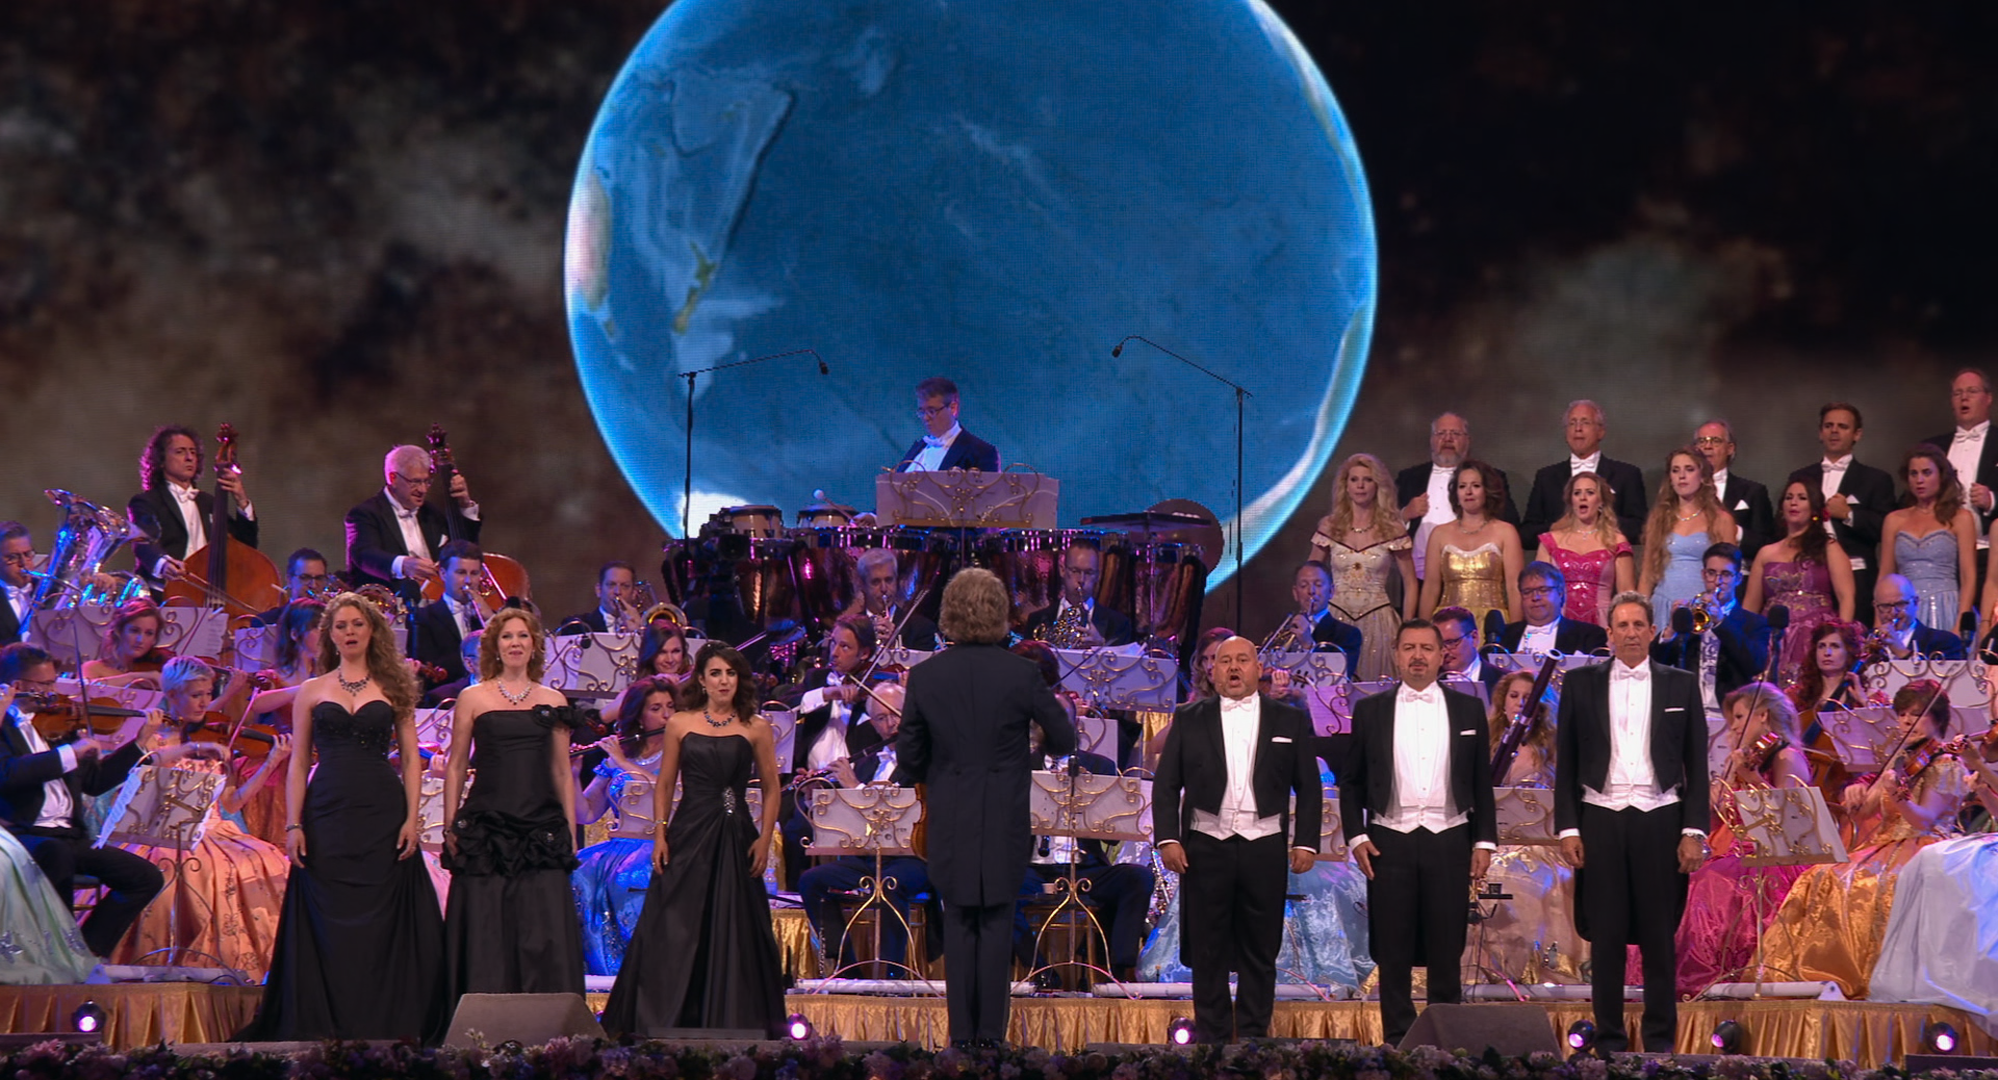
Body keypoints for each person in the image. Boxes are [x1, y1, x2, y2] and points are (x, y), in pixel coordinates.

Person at [237, 593, 446, 1042]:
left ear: (372, 631)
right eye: (341, 626)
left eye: (357, 624)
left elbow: (412, 759)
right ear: (330, 635)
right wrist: (293, 824)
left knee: (383, 916)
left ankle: (384, 1020)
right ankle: (328, 1020)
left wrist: (412, 819)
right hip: (327, 807)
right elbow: (298, 763)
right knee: (329, 910)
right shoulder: (312, 690)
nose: (349, 632)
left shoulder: (393, 686)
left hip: (382, 808)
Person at [900, 568, 1074, 1047]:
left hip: (949, 817)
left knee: (958, 921)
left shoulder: (926, 676)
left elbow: (909, 759)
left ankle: (960, 1041)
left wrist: (943, 765)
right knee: (997, 921)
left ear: (950, 614)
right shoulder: (1022, 673)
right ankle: (991, 1042)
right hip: (1003, 818)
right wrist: (1024, 747)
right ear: (999, 613)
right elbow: (1064, 738)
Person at [1555, 592, 1710, 1055]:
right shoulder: (1579, 683)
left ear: (1651, 631)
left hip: (1660, 817)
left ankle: (1660, 1044)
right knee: (1606, 939)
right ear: (1609, 633)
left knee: (1659, 938)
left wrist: (1693, 830)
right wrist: (1569, 828)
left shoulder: (1681, 684)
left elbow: (1696, 764)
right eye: (1621, 625)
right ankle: (1609, 1043)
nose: (1630, 633)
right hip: (1600, 817)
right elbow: (1567, 762)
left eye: (1638, 624)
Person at [602, 642, 784, 1037]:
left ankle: (734, 1021)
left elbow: (772, 788)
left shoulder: (755, 726)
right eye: (715, 673)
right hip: (688, 831)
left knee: (736, 925)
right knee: (674, 922)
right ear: (701, 679)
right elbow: (666, 783)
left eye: (731, 673)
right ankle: (659, 1019)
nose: (724, 681)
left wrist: (765, 838)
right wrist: (660, 833)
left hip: (736, 833)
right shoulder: (680, 723)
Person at [1757, 681, 1973, 999]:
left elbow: (1924, 820)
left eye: (1917, 715)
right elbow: (1863, 811)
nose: (1907, 722)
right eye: (1902, 714)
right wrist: (1855, 792)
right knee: (1818, 876)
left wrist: (1898, 797)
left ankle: (1859, 977)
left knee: (1864, 885)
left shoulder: (1945, 763)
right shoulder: (1900, 760)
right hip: (1884, 845)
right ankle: (1801, 976)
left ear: (1937, 719)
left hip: (1926, 847)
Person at [1153, 635, 1320, 1044]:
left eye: (1243, 660)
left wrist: (1305, 842)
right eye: (1225, 660)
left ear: (1258, 668)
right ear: (1212, 671)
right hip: (1205, 845)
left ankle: (1252, 1038)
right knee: (1207, 948)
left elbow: (1309, 787)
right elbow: (1166, 783)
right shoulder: (1190, 717)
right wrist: (1168, 839)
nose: (1233, 667)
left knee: (1260, 949)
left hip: (1265, 845)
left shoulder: (1289, 720)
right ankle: (1211, 1040)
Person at [1343, 620, 1497, 1047]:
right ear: (1396, 653)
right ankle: (1398, 1042)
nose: (1417, 656)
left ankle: (1446, 1041)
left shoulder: (1469, 709)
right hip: (1388, 839)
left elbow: (1481, 782)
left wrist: (1484, 841)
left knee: (1446, 948)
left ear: (1440, 654)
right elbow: (1351, 781)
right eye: (1409, 647)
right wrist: (1357, 836)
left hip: (1449, 837)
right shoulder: (1370, 710)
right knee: (1392, 950)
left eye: (1426, 648)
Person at [111, 657, 292, 980]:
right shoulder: (154, 739)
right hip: (163, 832)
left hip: (216, 830)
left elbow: (232, 802)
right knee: (190, 869)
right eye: (196, 695)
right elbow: (133, 796)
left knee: (266, 859)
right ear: (173, 695)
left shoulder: (217, 739)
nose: (205, 703)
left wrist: (271, 763)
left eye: (209, 694)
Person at [437, 607, 584, 1001]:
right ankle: (482, 1016)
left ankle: (546, 1018)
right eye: (507, 636)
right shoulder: (472, 697)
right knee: (486, 924)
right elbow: (456, 765)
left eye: (522, 636)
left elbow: (561, 771)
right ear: (495, 646)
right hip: (486, 825)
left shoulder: (553, 699)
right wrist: (451, 824)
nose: (515, 643)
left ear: (534, 645)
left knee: (542, 925)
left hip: (541, 827)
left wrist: (570, 829)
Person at [0, 642, 166, 957]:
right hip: (23, 834)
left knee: (145, 877)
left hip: (70, 835)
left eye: (53, 683)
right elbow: (8, 774)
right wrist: (68, 754)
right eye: (44, 685)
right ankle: (55, 954)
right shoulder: (3, 726)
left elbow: (94, 783)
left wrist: (139, 742)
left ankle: (85, 952)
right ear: (18, 685)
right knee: (56, 854)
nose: (53, 692)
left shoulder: (57, 725)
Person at [1667, 683, 1811, 997]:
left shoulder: (1787, 756)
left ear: (1763, 716)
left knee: (1711, 884)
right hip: (1734, 850)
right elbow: (1726, 816)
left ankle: (1713, 977)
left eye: (1740, 717)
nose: (1732, 726)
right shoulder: (1746, 758)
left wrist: (1752, 779)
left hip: (1774, 857)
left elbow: (1789, 822)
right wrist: (1721, 788)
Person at [795, 688, 933, 977]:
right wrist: (816, 796)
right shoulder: (870, 761)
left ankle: (892, 975)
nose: (890, 724)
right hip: (870, 858)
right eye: (881, 718)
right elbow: (849, 823)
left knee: (890, 884)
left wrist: (854, 786)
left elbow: (895, 815)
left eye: (896, 715)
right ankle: (846, 969)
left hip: (915, 858)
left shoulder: (925, 760)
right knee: (812, 881)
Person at [1468, 671, 1586, 987]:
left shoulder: (1556, 747)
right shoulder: (1486, 744)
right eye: (1514, 696)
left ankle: (1531, 970)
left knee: (1522, 879)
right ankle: (1481, 970)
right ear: (1502, 702)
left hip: (1540, 844)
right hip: (1492, 840)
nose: (1520, 703)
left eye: (1528, 698)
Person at [779, 614, 893, 888]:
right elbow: (783, 707)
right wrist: (827, 694)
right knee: (787, 824)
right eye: (834, 644)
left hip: (852, 787)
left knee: (804, 827)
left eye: (845, 647)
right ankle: (790, 896)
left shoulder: (877, 687)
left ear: (865, 653)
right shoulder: (817, 678)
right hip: (809, 783)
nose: (835, 653)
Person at [1310, 454, 1415, 680]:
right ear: (1345, 486)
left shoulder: (1392, 529)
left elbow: (1410, 582)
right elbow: (1310, 575)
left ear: (1377, 486)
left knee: (1375, 687)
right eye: (1354, 479)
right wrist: (1310, 616)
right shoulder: (1330, 526)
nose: (1360, 485)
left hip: (1379, 622)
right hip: (1335, 620)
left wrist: (1407, 628)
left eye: (1367, 480)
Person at [1788, 403, 1895, 625]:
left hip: (1857, 577)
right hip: (1807, 578)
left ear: (1857, 434)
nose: (1834, 431)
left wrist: (1849, 514)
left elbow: (1885, 528)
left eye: (1842, 426)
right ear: (1820, 432)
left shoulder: (1875, 479)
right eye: (1829, 426)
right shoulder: (1800, 477)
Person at [1745, 480, 1856, 684]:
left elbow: (1846, 597)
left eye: (1802, 498)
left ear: (1814, 508)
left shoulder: (1829, 547)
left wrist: (1839, 639)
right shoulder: (1766, 553)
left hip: (1813, 636)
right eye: (1789, 498)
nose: (1793, 503)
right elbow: (1750, 607)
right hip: (1773, 636)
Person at [127, 423, 259, 587]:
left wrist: (241, 499)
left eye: (193, 452)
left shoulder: (209, 503)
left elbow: (246, 546)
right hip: (165, 591)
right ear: (161, 460)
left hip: (206, 592)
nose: (189, 457)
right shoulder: (147, 502)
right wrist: (163, 564)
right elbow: (143, 541)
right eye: (180, 452)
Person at [1393, 413, 1520, 582]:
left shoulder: (1492, 477)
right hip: (1417, 576)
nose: (1448, 439)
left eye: (1455, 433)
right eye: (1441, 433)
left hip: (1472, 575)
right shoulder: (1409, 478)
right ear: (1431, 440)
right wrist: (1406, 514)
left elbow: (1510, 522)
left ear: (1468, 440)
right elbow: (1384, 527)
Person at [1652, 544, 1772, 716]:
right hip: (1690, 711)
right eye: (1711, 573)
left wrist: (1721, 622)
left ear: (1738, 578)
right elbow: (1655, 664)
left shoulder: (1755, 623)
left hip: (1731, 714)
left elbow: (1756, 664)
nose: (1717, 581)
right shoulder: (1690, 618)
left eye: (1726, 574)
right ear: (1703, 574)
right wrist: (1672, 628)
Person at [344, 443, 481, 594]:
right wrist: (403, 564)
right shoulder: (364, 513)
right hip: (388, 601)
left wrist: (465, 505)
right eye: (415, 482)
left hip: (434, 600)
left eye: (426, 481)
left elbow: (465, 551)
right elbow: (364, 555)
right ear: (393, 478)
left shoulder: (432, 513)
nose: (423, 489)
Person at [1520, 400, 1648, 545]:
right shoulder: (1546, 477)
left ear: (1601, 432)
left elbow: (1640, 528)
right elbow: (1527, 533)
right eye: (1572, 423)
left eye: (1585, 422)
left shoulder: (1626, 475)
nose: (1578, 428)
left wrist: (1602, 521)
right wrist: (1555, 527)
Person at [1880, 444, 1978, 632]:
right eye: (1913, 474)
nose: (1919, 480)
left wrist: (1961, 621)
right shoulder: (1894, 520)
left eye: (1926, 473)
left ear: (1941, 476)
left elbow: (1968, 577)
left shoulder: (1960, 518)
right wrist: (1880, 620)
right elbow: (1885, 575)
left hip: (1947, 607)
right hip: (1903, 610)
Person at [1418, 459, 1524, 624]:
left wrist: (1515, 632)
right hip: (1448, 626)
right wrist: (1423, 631)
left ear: (1487, 490)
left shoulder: (1506, 532)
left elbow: (1514, 588)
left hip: (1492, 625)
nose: (1468, 492)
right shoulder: (1439, 534)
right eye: (1462, 486)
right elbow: (1431, 588)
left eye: (1475, 486)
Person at [1638, 447, 1739, 618]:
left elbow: (1728, 575)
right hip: (1663, 605)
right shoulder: (1659, 518)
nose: (1682, 476)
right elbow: (1647, 574)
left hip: (1703, 607)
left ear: (1703, 476)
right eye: (1675, 470)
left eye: (1689, 469)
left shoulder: (1721, 520)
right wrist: (1640, 614)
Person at [1534, 472, 1635, 626]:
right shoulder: (1550, 541)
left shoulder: (1616, 542)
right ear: (1571, 501)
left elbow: (1626, 594)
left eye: (1590, 492)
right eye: (1577, 493)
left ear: (1601, 501)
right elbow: (1538, 590)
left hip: (1601, 624)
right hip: (1558, 622)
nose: (1582, 498)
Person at [1928, 368, 1998, 581]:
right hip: (1941, 556)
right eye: (1957, 393)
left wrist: (1992, 501)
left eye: (1972, 391)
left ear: (1988, 398)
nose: (1964, 398)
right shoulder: (1932, 447)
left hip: (1990, 552)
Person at [1693, 420, 1778, 567]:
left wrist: (1736, 532)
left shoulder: (1752, 491)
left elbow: (1768, 545)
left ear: (1730, 448)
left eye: (1715, 441)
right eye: (1702, 441)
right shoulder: (1682, 491)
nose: (1707, 446)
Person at [1022, 544, 1135, 648]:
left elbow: (1123, 661)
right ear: (1062, 571)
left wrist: (1101, 647)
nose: (1081, 579)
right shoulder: (1036, 619)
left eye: (1089, 573)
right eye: (1075, 571)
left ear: (1097, 576)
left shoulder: (1119, 624)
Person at [1263, 561, 1364, 677]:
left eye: (1318, 585)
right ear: (1295, 593)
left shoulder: (1348, 634)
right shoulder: (1281, 630)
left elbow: (1340, 675)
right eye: (1303, 586)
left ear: (1331, 591)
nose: (1311, 591)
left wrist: (1308, 644)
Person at [412, 541, 487, 692]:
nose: (468, 581)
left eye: (474, 573)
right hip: (444, 696)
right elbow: (427, 667)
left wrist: (489, 619)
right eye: (461, 572)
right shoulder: (423, 617)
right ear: (443, 574)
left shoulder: (488, 617)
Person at [1497, 561, 1609, 656]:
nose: (1535, 597)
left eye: (1543, 590)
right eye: (1527, 592)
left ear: (1560, 593)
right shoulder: (1502, 635)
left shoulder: (1588, 635)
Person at [895, 377, 1001, 473]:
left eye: (932, 411)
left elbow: (988, 489)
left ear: (953, 408)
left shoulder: (982, 452)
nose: (926, 418)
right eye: (922, 412)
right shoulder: (919, 447)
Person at [850, 548, 940, 651]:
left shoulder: (922, 628)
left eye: (889, 580)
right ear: (862, 585)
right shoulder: (850, 628)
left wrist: (894, 646)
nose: (884, 589)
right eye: (875, 582)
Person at [1872, 573, 1967, 661]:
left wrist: (1901, 651)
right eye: (1885, 606)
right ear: (1875, 606)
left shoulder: (1945, 641)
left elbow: (1939, 674)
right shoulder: (1867, 639)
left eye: (1900, 604)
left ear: (1916, 602)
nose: (1893, 612)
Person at [77, 599, 170, 689]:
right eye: (134, 631)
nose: (140, 640)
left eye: (149, 633)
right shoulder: (92, 668)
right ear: (119, 631)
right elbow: (82, 691)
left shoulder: (159, 669)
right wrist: (132, 678)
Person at [252, 549, 334, 625]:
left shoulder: (332, 619)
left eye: (319, 578)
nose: (313, 585)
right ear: (289, 580)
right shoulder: (264, 621)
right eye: (305, 577)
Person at [1434, 606, 1502, 697]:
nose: (1444, 652)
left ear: (1474, 638)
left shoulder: (1503, 680)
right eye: (1439, 644)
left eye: (1451, 642)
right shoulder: (1427, 681)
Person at [559, 561, 640, 635]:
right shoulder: (577, 626)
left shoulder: (643, 629)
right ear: (599, 590)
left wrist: (638, 634)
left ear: (634, 593)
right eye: (611, 585)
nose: (617, 592)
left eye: (625, 586)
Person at [0, 522, 38, 646]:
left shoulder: (50, 590)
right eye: (13, 557)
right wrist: (26, 638)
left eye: (27, 554)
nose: (23, 563)